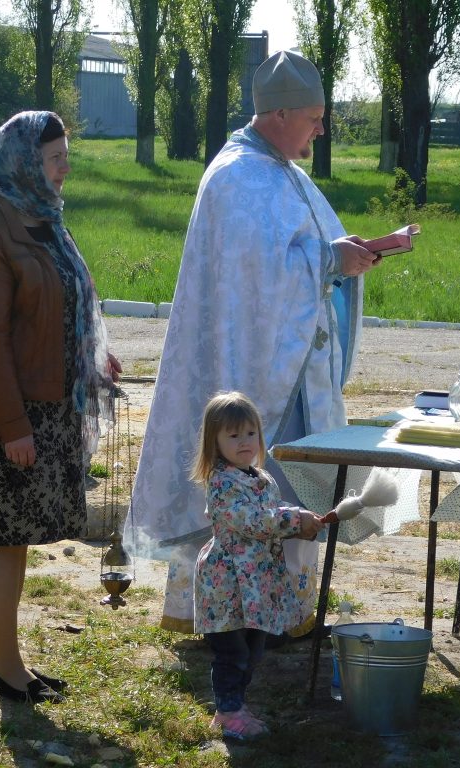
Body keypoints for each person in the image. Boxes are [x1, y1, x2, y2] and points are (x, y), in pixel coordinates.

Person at [125, 50, 383, 638]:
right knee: (252, 490)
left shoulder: (285, 172)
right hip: (253, 375)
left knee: (288, 488)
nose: (320, 130)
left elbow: (299, 254)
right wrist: (329, 261)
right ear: (279, 112)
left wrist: (346, 256)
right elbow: (257, 277)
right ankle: (229, 614)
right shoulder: (238, 176)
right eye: (313, 118)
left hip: (292, 368)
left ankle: (283, 612)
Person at [0, 110, 121, 704]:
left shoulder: (44, 220)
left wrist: (92, 357)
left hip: (49, 403)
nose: (64, 169)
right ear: (26, 163)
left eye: (65, 157)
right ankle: (6, 669)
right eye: (55, 159)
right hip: (12, 409)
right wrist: (12, 428)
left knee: (18, 534)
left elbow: (66, 301)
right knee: (3, 536)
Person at [191, 392, 326, 739]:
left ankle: (237, 703)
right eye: (233, 436)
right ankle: (227, 711)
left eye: (250, 433)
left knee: (253, 649)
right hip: (226, 583)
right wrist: (293, 520)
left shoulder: (260, 477)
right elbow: (252, 520)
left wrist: (302, 519)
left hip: (256, 583)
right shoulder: (221, 483)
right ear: (215, 442)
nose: (244, 442)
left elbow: (272, 508)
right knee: (231, 652)